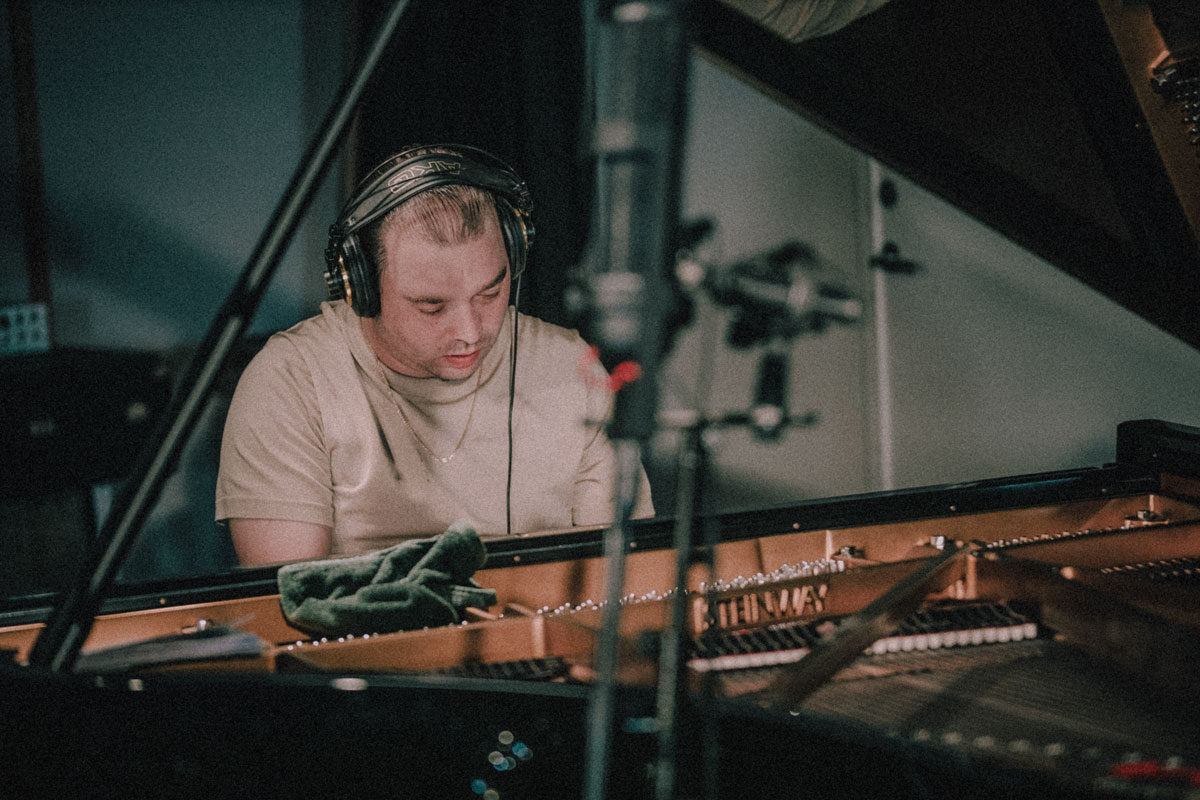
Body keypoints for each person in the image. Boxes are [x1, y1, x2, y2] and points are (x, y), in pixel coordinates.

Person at [216, 144, 655, 565]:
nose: (470, 332)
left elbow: (627, 573)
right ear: (362, 288)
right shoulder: (291, 383)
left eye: (490, 293)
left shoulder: (572, 369)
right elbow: (290, 597)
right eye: (432, 306)